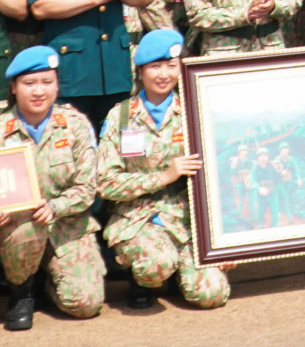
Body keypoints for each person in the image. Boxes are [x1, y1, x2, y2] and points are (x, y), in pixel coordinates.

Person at [0, 46, 106, 330]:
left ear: (57, 86)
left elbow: (87, 186)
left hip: (65, 225)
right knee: (29, 229)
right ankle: (22, 293)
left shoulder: (75, 125)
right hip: (17, 228)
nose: (38, 91)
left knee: (85, 304)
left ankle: (50, 280)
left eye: (47, 82)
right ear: (13, 87)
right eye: (29, 83)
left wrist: (57, 206)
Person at [95, 29, 227, 309]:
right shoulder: (120, 116)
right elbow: (105, 183)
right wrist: (163, 177)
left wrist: (227, 239)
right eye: (155, 67)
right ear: (141, 70)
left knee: (210, 294)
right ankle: (144, 279)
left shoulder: (195, 109)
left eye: (171, 66)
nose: (163, 74)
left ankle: (181, 273)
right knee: (155, 265)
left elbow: (221, 175)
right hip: (138, 217)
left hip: (187, 219)